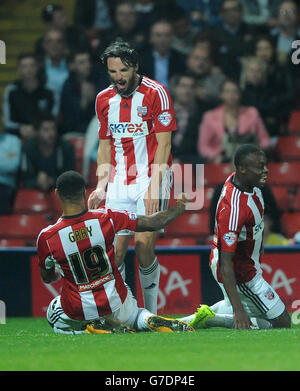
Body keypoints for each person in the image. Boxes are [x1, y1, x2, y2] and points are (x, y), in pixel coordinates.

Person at [37, 170, 194, 334]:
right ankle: (146, 318)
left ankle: (89, 330)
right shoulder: (107, 217)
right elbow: (154, 222)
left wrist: (56, 272)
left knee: (54, 313)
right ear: (84, 191)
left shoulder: (47, 237)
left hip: (80, 311)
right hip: (116, 302)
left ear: (57, 194)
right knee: (135, 314)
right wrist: (180, 205)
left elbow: (47, 278)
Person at [88, 40, 177, 315]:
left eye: (124, 70)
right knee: (113, 252)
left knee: (142, 245)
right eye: (113, 72)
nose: (119, 77)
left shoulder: (157, 93)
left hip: (151, 176)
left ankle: (149, 312)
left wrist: (154, 186)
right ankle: (124, 313)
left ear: (136, 66)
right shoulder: (103, 99)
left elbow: (164, 145)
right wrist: (102, 185)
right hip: (118, 181)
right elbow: (104, 146)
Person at [181, 144, 291, 330]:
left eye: (265, 165)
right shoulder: (234, 209)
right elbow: (226, 263)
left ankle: (195, 318)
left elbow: (254, 220)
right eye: (260, 167)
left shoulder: (247, 183)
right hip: (240, 271)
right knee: (281, 323)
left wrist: (258, 241)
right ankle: (214, 319)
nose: (265, 170)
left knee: (260, 313)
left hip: (245, 261)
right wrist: (238, 311)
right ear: (242, 169)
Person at [198, 78, 270, 163]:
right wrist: (215, 156)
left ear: (240, 94)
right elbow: (203, 146)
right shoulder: (209, 116)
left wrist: (254, 152)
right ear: (221, 94)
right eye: (227, 91)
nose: (231, 95)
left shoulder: (252, 113)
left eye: (235, 91)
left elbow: (265, 140)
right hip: (220, 161)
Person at [3, 52, 55, 139]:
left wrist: (37, 129)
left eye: (32, 65)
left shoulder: (49, 90)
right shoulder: (11, 90)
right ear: (18, 70)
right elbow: (7, 121)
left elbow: (54, 116)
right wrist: (20, 128)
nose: (29, 69)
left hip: (44, 135)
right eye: (24, 66)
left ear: (37, 68)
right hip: (16, 135)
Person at [20, 113, 75, 192]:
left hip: (60, 191)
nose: (51, 133)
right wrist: (37, 181)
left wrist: (51, 181)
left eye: (53, 129)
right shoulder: (28, 147)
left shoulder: (66, 147)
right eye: (46, 130)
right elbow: (24, 178)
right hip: (33, 191)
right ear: (37, 132)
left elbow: (70, 178)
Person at [59, 49, 108, 135]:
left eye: (88, 61)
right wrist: (84, 101)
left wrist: (95, 98)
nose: (87, 65)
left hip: (100, 129)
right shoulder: (68, 85)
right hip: (76, 131)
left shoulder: (100, 79)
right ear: (71, 66)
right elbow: (69, 119)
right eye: (82, 63)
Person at [139, 19, 186, 89]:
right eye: (158, 35)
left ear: (172, 38)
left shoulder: (180, 59)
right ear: (151, 38)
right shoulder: (141, 59)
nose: (162, 39)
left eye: (167, 35)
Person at [0, 113, 22, 215]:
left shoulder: (14, 140)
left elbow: (13, 165)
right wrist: (4, 160)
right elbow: (7, 164)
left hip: (5, 186)